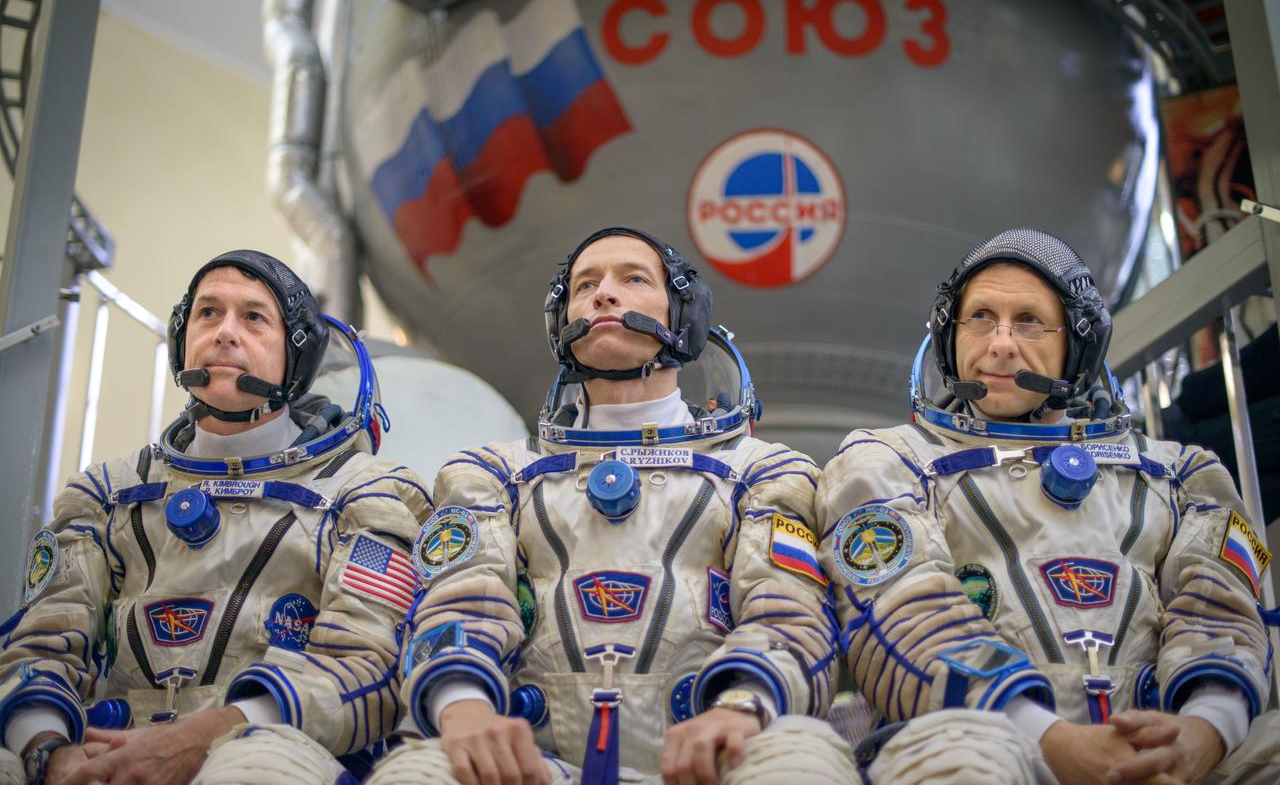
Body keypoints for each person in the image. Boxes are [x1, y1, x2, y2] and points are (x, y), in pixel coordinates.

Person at [368, 227, 855, 785]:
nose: (603, 294)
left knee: (801, 762)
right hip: (532, 763)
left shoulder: (762, 471)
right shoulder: (492, 474)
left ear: (682, 315)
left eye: (633, 279)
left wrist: (740, 707)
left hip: (712, 760)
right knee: (420, 771)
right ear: (562, 322)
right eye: (585, 285)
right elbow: (461, 604)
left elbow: (788, 613)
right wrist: (464, 707)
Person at [817, 227, 1279, 784]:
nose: (1001, 343)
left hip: (1167, 746)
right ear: (949, 335)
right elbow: (903, 615)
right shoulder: (887, 461)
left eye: (1030, 321)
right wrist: (1051, 739)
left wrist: (1205, 730)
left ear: (1078, 346)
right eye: (980, 317)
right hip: (988, 741)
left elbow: (1220, 612)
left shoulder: (1181, 474)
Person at [0, 250, 431, 785]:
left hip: (276, 747)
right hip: (106, 751)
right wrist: (50, 754)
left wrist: (203, 736)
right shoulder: (107, 493)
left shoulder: (368, 491)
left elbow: (366, 669)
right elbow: (37, 649)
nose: (225, 332)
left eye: (254, 317)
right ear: (183, 336)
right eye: (208, 313)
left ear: (296, 356)